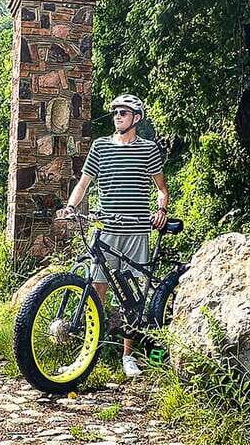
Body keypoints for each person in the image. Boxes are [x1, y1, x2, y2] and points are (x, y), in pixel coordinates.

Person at [57, 93, 169, 378]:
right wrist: (70, 207)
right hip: (106, 231)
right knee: (97, 292)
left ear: (137, 118)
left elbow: (161, 188)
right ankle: (88, 353)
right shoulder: (100, 147)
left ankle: (128, 357)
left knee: (132, 298)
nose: (118, 116)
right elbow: (83, 184)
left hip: (136, 231)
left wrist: (160, 209)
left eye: (124, 112)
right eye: (116, 112)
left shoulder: (148, 150)